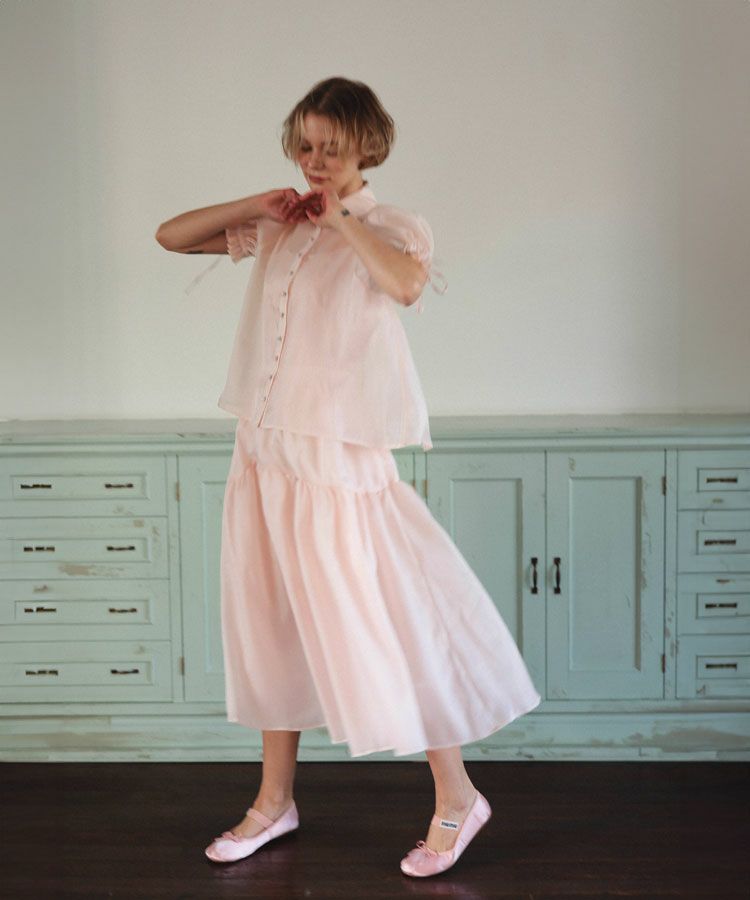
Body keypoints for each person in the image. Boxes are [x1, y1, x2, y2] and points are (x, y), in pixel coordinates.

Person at [155, 76, 541, 879]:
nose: (315, 159)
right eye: (305, 145)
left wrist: (340, 219)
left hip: (338, 461)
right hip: (264, 450)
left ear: (366, 146)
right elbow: (171, 236)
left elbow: (405, 284)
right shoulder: (280, 224)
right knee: (269, 621)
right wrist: (259, 204)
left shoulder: (392, 226)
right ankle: (274, 801)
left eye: (331, 147)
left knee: (390, 619)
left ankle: (457, 796)